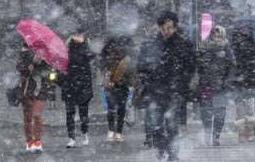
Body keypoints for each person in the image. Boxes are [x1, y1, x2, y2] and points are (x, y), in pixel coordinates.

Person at [137, 11, 195, 162]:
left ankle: (173, 155)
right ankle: (162, 147)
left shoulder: (184, 43)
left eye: (169, 28)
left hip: (175, 91)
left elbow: (191, 65)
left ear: (175, 27)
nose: (166, 31)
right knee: (155, 125)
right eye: (163, 28)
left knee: (172, 125)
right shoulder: (150, 43)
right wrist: (147, 79)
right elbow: (141, 65)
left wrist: (182, 81)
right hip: (155, 91)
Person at [58, 29, 96, 148]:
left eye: (79, 35)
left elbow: (90, 56)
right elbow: (61, 67)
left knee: (83, 112)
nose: (77, 37)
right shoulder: (66, 49)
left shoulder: (87, 48)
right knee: (70, 113)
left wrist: (83, 46)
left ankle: (85, 133)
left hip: (83, 86)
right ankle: (71, 137)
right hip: (69, 85)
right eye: (75, 34)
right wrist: (61, 82)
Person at [197, 25, 234, 146]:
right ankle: (207, 133)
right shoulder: (203, 47)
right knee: (206, 112)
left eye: (219, 36)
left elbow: (232, 67)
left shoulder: (227, 49)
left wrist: (227, 81)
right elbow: (197, 65)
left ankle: (216, 136)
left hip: (221, 86)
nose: (217, 38)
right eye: (214, 36)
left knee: (220, 113)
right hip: (206, 84)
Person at [230, 24, 255, 142]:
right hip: (245, 82)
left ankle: (245, 132)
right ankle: (246, 132)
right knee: (247, 108)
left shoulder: (246, 49)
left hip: (245, 82)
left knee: (244, 108)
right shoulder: (237, 49)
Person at [100, 35, 135, 142]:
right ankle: (111, 130)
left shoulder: (125, 56)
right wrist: (107, 73)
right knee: (112, 109)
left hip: (122, 85)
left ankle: (118, 132)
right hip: (110, 85)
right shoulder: (106, 55)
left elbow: (129, 71)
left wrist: (128, 81)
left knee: (121, 109)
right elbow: (102, 67)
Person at [16, 42, 49, 153]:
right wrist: (27, 67)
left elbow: (47, 71)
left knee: (36, 114)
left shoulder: (45, 53)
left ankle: (38, 141)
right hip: (26, 89)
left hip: (40, 90)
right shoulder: (24, 52)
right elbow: (19, 67)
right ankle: (29, 141)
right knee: (27, 116)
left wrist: (35, 67)